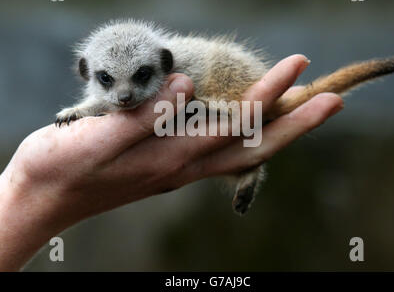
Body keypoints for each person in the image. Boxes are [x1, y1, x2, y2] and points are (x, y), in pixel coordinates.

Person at [0, 55, 343, 271]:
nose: (124, 94)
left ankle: (249, 168)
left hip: (221, 86)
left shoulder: (178, 71)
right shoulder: (104, 96)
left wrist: (32, 193)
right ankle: (248, 165)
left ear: (162, 67)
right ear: (87, 73)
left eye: (140, 77)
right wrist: (33, 193)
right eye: (108, 80)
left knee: (237, 121)